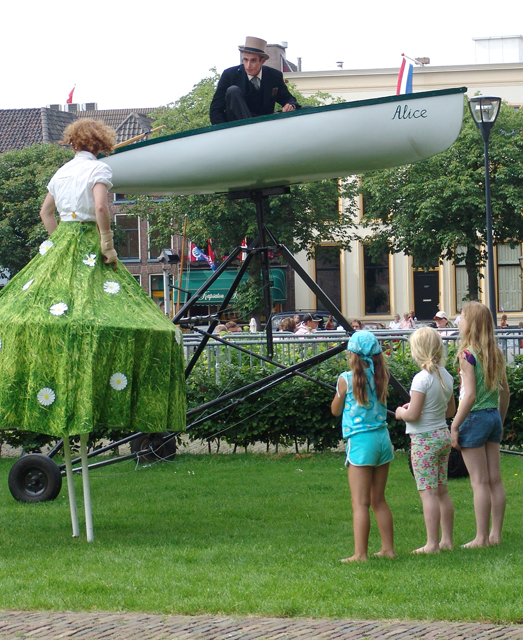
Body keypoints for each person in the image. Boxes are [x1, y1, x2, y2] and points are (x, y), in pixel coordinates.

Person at [0, 120, 186, 536]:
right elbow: (103, 208)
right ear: (101, 144)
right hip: (87, 242)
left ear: (71, 143)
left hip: (63, 243)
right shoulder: (99, 171)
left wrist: (57, 245)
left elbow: (46, 212)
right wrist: (105, 241)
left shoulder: (62, 173)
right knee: (110, 318)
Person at [331, 331, 395, 562]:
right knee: (379, 499)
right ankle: (388, 549)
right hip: (382, 440)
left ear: (352, 354)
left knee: (360, 503)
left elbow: (335, 410)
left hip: (360, 444)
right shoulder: (382, 376)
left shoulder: (345, 379)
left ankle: (360, 554)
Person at [450, 301, 510, 548]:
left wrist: (455, 425)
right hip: (492, 415)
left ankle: (481, 537)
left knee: (479, 482)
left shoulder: (467, 355)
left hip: (473, 417)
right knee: (495, 480)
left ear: (471, 323)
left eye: (461, 317)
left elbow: (469, 395)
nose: (458, 321)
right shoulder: (494, 352)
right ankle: (495, 534)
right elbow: (505, 391)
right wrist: (500, 420)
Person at [395, 327, 456, 554]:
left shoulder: (421, 379)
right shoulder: (446, 376)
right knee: (442, 490)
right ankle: (447, 540)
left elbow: (413, 415)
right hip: (442, 435)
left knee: (427, 492)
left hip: (424, 441)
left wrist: (401, 412)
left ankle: (432, 544)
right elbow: (450, 410)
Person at [209, 37, 301, 125]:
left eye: (253, 61)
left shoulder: (273, 76)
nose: (248, 65)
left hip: (263, 126)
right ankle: (250, 126)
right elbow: (216, 110)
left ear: (262, 61)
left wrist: (290, 105)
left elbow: (288, 98)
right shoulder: (230, 75)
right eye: (245, 60)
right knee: (233, 91)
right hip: (236, 128)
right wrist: (225, 132)